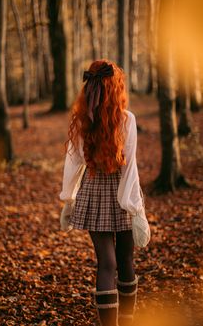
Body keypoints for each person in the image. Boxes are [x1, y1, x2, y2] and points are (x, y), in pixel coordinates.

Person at [59, 60, 147, 326]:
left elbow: (73, 162)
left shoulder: (82, 120)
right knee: (125, 260)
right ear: (114, 87)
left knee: (106, 263)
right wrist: (133, 207)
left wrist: (69, 197)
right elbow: (129, 166)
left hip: (93, 191)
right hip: (124, 189)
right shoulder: (126, 118)